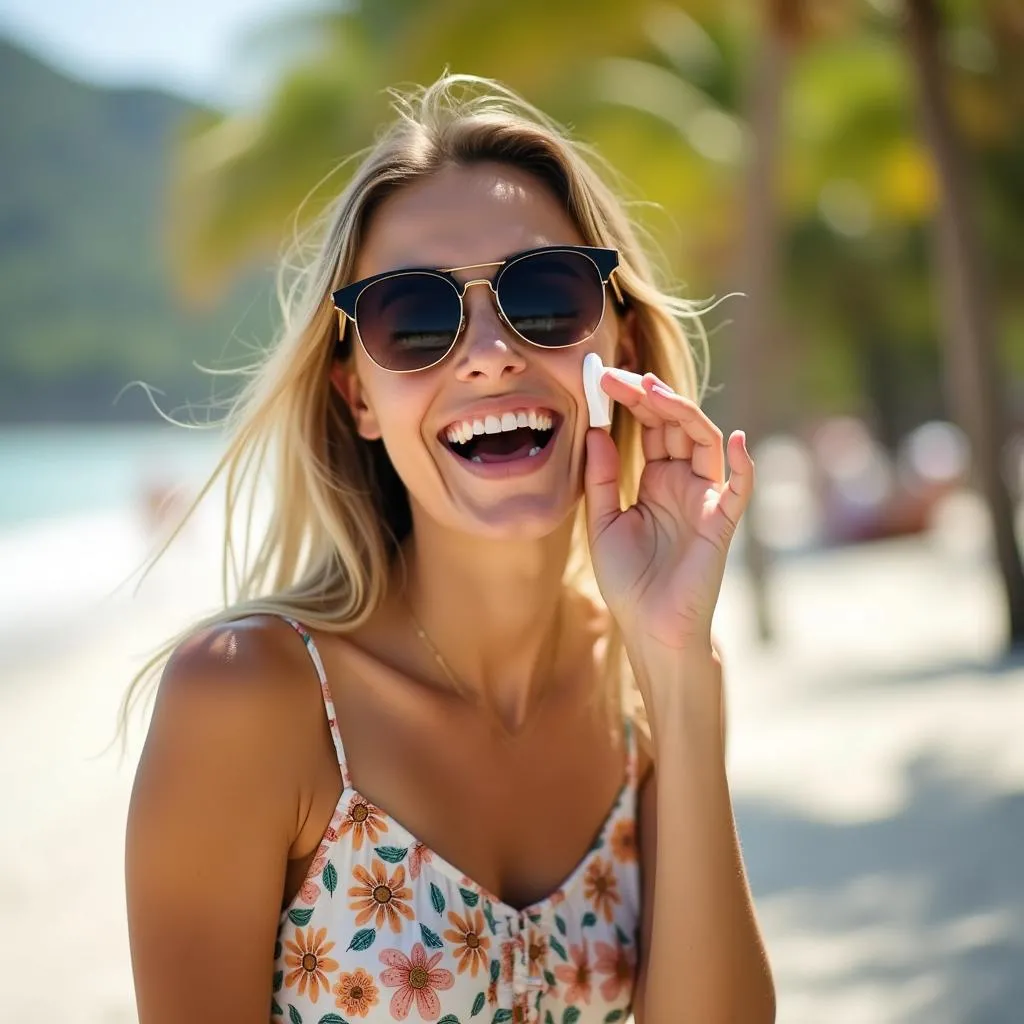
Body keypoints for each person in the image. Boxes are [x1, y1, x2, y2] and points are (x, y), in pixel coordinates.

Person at [123, 75, 775, 1024]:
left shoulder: (648, 685)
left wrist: (680, 675)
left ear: (620, 339)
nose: (488, 352)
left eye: (545, 295)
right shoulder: (249, 699)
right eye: (415, 319)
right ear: (356, 396)